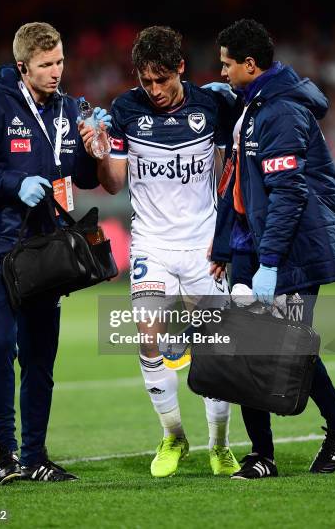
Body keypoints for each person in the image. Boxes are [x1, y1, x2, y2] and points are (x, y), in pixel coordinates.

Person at [0, 22, 110, 485]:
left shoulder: (68, 109)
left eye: (60, 61)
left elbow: (80, 179)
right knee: (0, 343)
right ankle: (5, 450)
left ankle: (35, 456)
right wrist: (13, 184)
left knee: (40, 355)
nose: (56, 71)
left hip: (42, 251)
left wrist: (94, 149)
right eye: (46, 65)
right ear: (23, 67)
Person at [79, 25, 240, 478]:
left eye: (162, 79)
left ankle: (220, 444)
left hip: (202, 244)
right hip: (151, 242)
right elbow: (114, 183)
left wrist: (225, 236)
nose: (155, 90)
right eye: (146, 80)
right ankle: (173, 436)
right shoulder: (127, 111)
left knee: (213, 348)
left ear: (181, 69)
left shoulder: (212, 106)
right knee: (148, 337)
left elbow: (226, 175)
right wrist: (98, 154)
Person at [210, 18, 335, 479]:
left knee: (287, 350)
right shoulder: (253, 105)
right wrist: (227, 249)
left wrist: (268, 263)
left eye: (228, 64)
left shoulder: (281, 112)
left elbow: (289, 193)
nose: (223, 72)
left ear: (251, 64)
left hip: (287, 252)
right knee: (248, 350)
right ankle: (262, 455)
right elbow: (240, 185)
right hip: (252, 246)